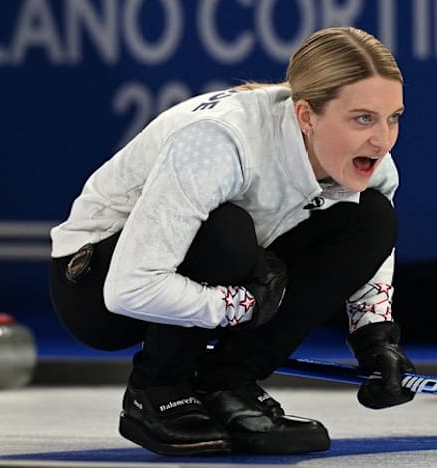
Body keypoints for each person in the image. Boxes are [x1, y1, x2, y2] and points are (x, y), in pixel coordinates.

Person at [49, 26, 416, 456]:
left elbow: (372, 249)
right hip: (96, 287)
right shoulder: (219, 142)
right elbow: (128, 289)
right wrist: (238, 306)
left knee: (370, 217)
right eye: (362, 119)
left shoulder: (373, 161)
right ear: (305, 115)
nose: (383, 139)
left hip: (226, 273)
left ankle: (226, 384)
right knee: (227, 230)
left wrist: (374, 337)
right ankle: (157, 390)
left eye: (393, 118)